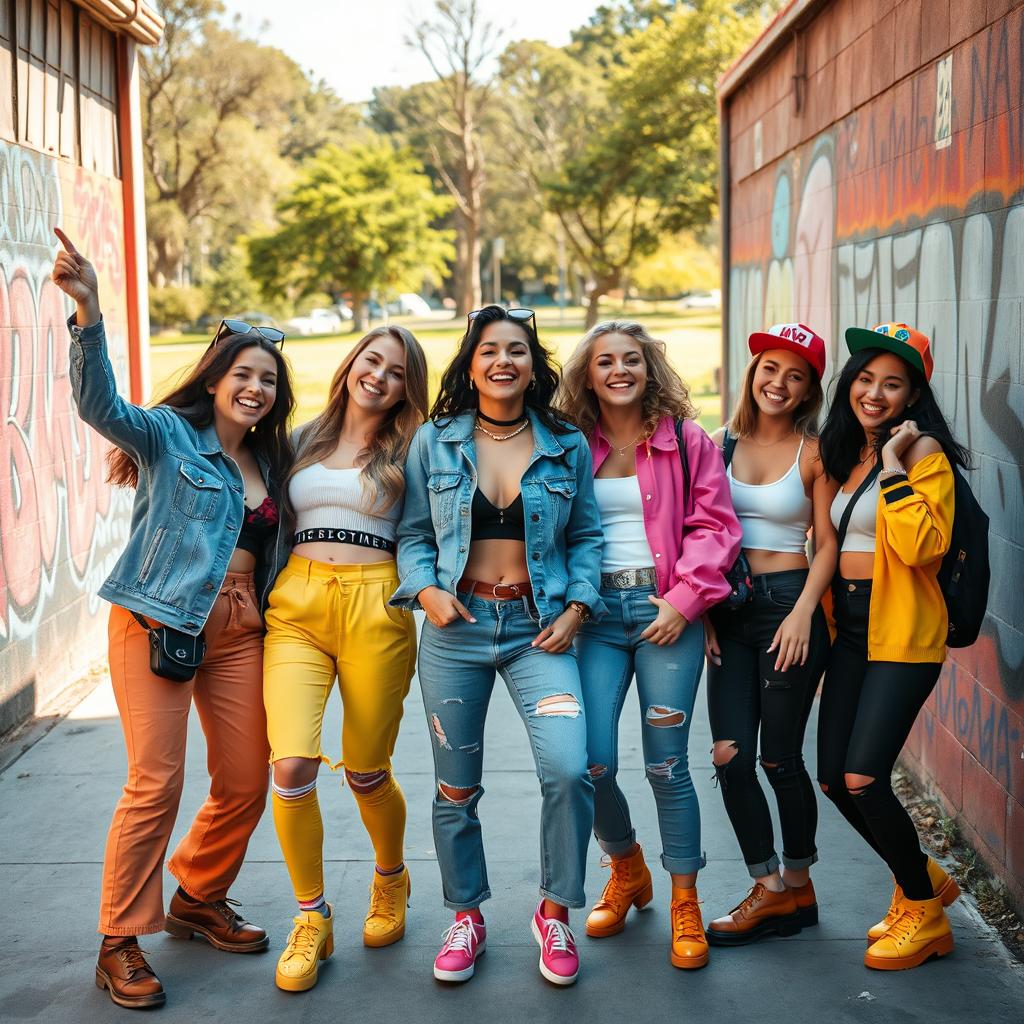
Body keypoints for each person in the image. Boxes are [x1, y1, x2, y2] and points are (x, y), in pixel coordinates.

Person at [53, 228, 294, 1010]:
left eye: (268, 379)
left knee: (249, 781)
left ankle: (196, 894)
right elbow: (99, 405)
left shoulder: (276, 463)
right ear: (217, 377)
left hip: (240, 630)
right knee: (154, 783)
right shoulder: (168, 437)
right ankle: (119, 940)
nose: (254, 387)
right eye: (243, 373)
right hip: (156, 620)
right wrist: (89, 314)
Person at [392, 305, 604, 986]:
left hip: (539, 630)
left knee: (569, 770)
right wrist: (425, 591)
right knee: (456, 787)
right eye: (489, 351)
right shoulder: (436, 439)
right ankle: (467, 915)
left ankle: (554, 912)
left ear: (531, 363)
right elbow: (414, 534)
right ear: (472, 361)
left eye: (516, 350)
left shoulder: (565, 443)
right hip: (456, 630)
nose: (503, 361)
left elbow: (587, 538)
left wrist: (577, 607)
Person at [557, 320, 741, 969]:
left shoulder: (686, 441)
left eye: (631, 359)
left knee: (667, 764)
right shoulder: (572, 445)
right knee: (591, 763)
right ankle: (628, 865)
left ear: (649, 367)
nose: (618, 370)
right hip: (596, 616)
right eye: (605, 361)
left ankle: (684, 898)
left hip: (667, 614)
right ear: (587, 373)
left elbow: (716, 527)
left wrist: (685, 601)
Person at [264, 326, 428, 992]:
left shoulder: (414, 449)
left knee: (365, 771)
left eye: (395, 371)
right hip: (297, 604)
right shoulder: (300, 440)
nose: (379, 376)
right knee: (292, 763)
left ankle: (391, 876)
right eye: (371, 361)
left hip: (376, 605)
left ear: (405, 387)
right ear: (351, 363)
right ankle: (312, 917)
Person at [817, 323, 964, 970]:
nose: (874, 393)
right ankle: (920, 880)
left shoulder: (923, 453)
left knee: (864, 776)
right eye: (865, 378)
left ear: (913, 393)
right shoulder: (848, 450)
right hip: (850, 631)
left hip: (902, 634)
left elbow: (922, 548)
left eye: (892, 383)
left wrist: (898, 468)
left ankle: (925, 913)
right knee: (832, 780)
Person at [701, 324, 836, 946]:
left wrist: (807, 610)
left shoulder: (813, 451)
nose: (778, 383)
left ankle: (800, 882)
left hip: (789, 605)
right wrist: (702, 610)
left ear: (809, 389)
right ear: (752, 373)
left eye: (796, 375)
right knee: (729, 757)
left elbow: (827, 543)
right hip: (729, 610)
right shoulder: (718, 444)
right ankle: (769, 887)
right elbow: (696, 533)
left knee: (780, 758)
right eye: (769, 369)